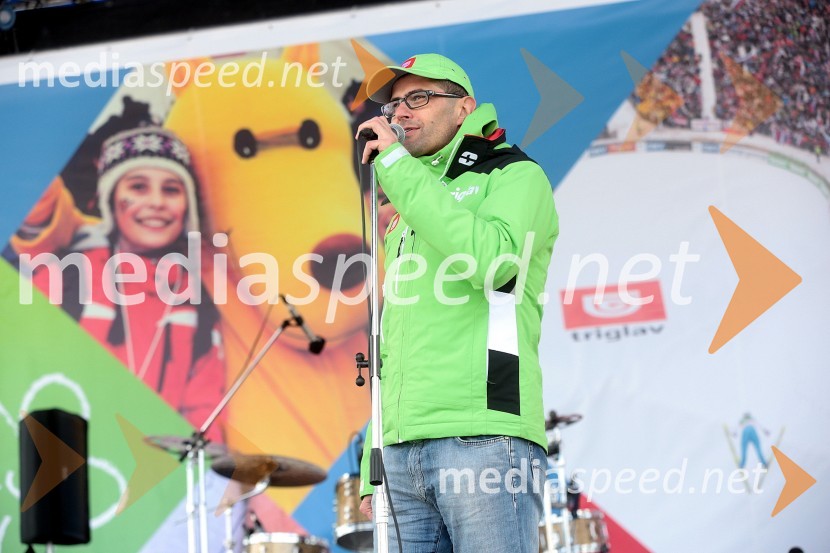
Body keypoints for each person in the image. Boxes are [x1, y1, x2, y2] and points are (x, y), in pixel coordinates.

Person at [354, 54, 559, 553]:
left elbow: (493, 263)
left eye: (419, 98)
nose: (401, 112)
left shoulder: (512, 175)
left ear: (464, 107)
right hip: (400, 450)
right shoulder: (411, 195)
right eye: (395, 102)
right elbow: (397, 337)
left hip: (484, 436)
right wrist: (373, 456)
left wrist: (400, 171)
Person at [10, 127, 225, 441]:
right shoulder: (69, 272)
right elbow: (21, 368)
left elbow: (204, 413)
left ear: (186, 205)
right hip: (60, 461)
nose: (156, 202)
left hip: (150, 476)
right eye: (137, 187)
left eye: (171, 189)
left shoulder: (198, 301)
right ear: (111, 198)